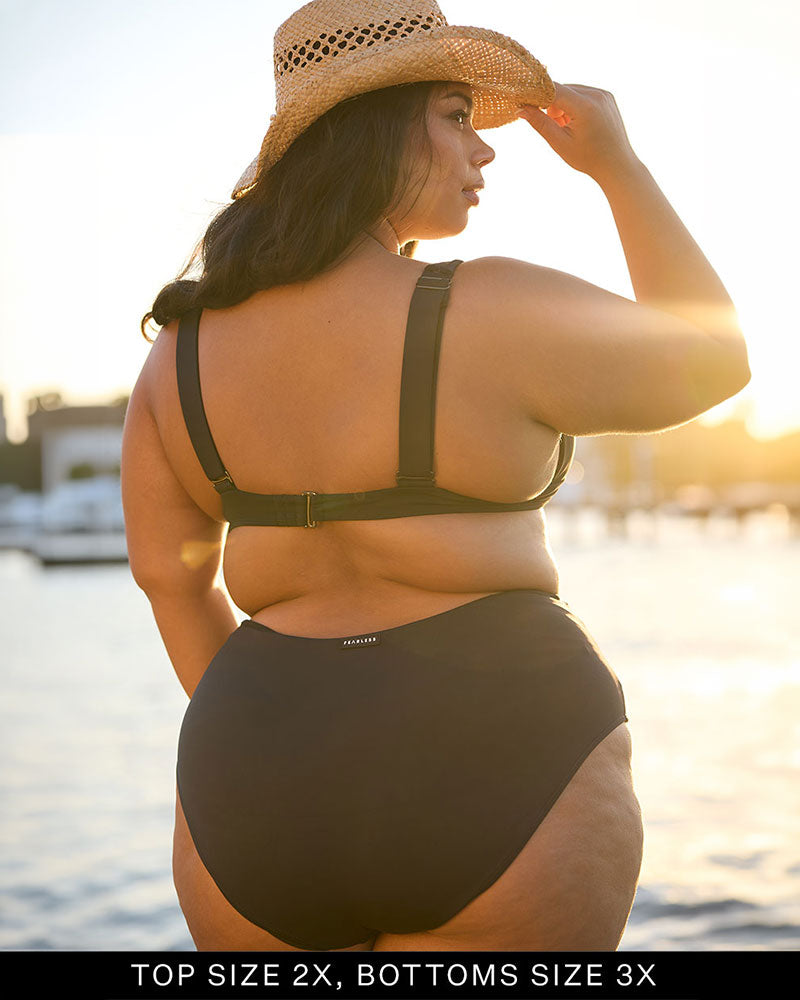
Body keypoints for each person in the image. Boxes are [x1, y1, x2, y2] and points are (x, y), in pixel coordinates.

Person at [121, 0, 750, 953]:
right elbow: (713, 357)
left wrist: (287, 747)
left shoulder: (179, 353)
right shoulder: (487, 306)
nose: (483, 149)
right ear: (374, 132)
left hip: (255, 775)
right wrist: (616, 164)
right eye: (456, 116)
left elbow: (170, 578)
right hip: (497, 742)